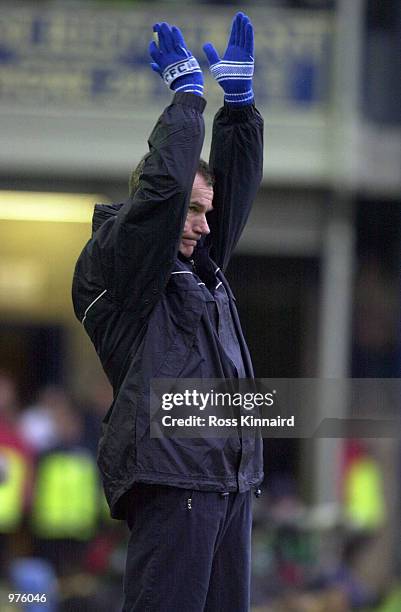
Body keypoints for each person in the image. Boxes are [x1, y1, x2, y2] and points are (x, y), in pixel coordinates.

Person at [72, 12, 264, 611]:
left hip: (229, 482)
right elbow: (161, 193)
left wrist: (238, 111)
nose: (205, 227)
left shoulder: (198, 266)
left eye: (206, 213)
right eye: (192, 212)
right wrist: (187, 101)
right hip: (175, 478)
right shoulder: (123, 263)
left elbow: (226, 198)